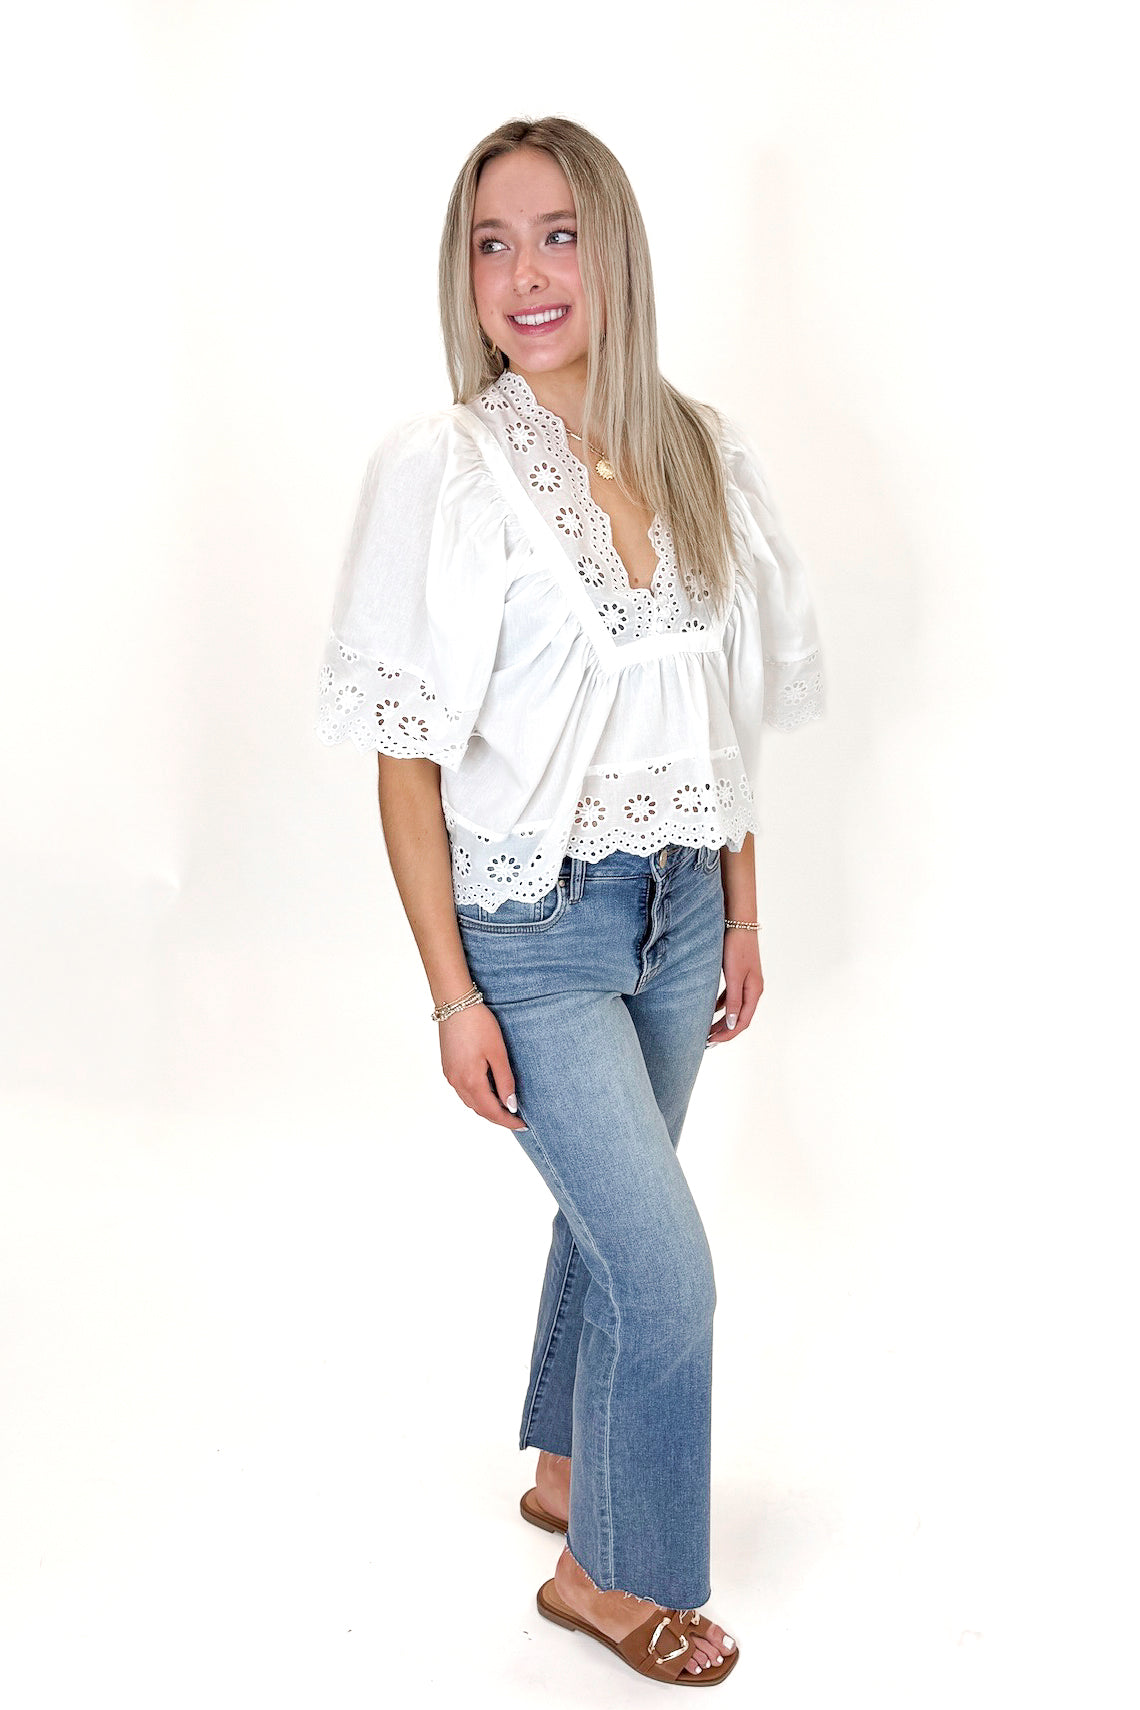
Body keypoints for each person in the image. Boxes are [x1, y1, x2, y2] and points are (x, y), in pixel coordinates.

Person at [315, 116, 823, 1687]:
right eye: (491, 242)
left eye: (556, 234)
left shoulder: (700, 450)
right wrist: (454, 992)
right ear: (464, 280)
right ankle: (615, 1569)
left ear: (615, 251)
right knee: (665, 1260)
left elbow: (720, 718)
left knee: (619, 1219)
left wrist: (738, 908)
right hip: (532, 926)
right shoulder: (447, 468)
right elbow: (406, 766)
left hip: (680, 912)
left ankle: (560, 1462)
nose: (526, 274)